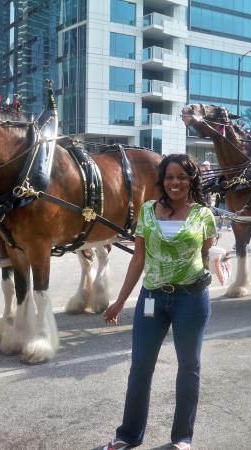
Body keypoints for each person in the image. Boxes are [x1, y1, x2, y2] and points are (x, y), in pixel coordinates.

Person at [102, 154, 217, 450]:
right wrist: (119, 301)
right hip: (152, 297)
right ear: (162, 181)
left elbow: (206, 256)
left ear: (191, 179)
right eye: (169, 177)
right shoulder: (148, 211)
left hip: (191, 299)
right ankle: (127, 435)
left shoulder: (203, 215)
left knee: (188, 367)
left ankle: (182, 438)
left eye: (181, 177)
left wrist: (216, 266)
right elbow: (138, 258)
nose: (174, 182)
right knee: (140, 367)